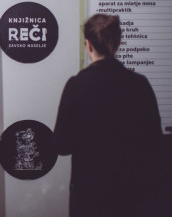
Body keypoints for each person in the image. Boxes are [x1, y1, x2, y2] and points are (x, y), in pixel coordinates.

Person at [54, 13, 167, 217]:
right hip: (132, 193)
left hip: (88, 192)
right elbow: (154, 142)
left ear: (88, 45)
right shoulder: (139, 84)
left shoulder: (77, 85)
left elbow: (62, 145)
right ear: (118, 42)